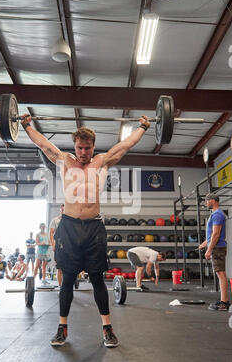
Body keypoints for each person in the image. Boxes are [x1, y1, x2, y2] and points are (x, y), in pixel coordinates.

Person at [20, 111, 150, 348]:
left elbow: (125, 145)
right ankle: (62, 328)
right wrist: (27, 125)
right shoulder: (64, 160)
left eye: (87, 148)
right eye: (79, 148)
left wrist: (142, 127)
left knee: (98, 279)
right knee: (67, 279)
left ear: (93, 147)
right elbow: (43, 144)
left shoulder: (102, 161)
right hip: (68, 227)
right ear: (75, 146)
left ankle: (107, 329)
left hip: (93, 229)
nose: (83, 152)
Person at [199, 193, 230, 311]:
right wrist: (204, 243)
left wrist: (209, 249)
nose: (206, 203)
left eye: (207, 200)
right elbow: (212, 235)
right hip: (216, 247)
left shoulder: (217, 214)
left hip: (217, 248)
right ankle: (224, 301)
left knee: (221, 274)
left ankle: (224, 303)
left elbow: (216, 234)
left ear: (213, 201)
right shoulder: (215, 214)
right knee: (220, 274)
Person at [49, 204, 64, 287]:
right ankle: (60, 287)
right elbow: (51, 232)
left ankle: (66, 286)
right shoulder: (55, 220)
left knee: (69, 268)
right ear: (60, 210)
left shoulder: (72, 221)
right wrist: (52, 244)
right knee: (59, 268)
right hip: (59, 246)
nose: (64, 211)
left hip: (70, 247)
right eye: (62, 210)